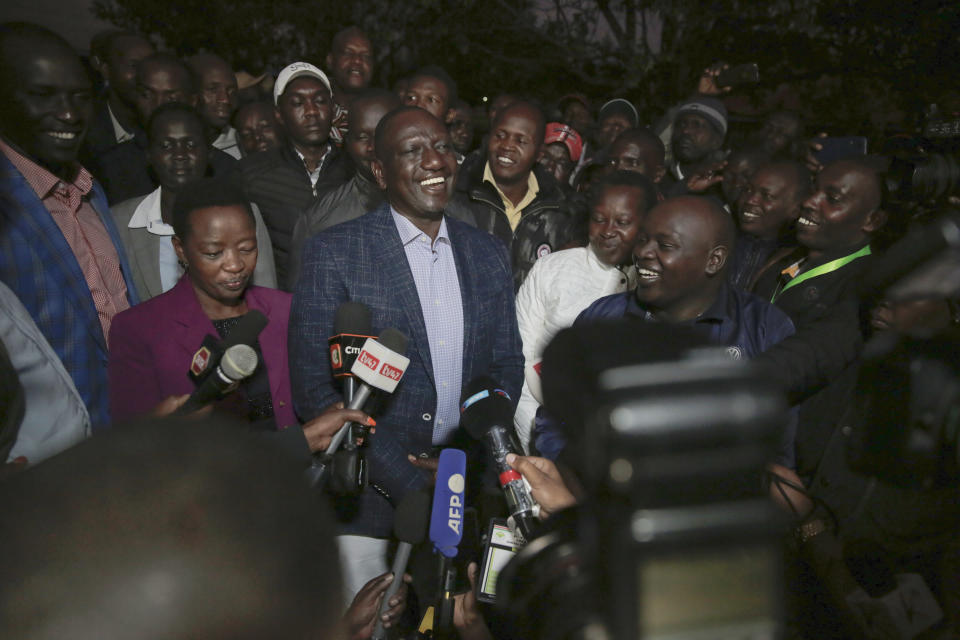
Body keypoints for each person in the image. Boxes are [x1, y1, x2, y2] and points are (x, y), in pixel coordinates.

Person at [289, 106, 523, 597]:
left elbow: (506, 364)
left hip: (461, 490)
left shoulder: (488, 252)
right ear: (379, 171)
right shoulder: (334, 252)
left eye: (442, 146)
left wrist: (461, 462)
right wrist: (412, 484)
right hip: (367, 501)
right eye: (413, 151)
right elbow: (315, 390)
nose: (435, 160)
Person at [0, 22, 139, 430]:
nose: (68, 114)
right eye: (43, 95)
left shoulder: (91, 190)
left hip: (127, 429)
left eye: (80, 97)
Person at [514, 171, 655, 451]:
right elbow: (519, 362)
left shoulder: (659, 281)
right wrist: (548, 450)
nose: (608, 231)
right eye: (599, 219)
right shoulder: (552, 269)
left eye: (623, 222)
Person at [578, 196, 795, 358]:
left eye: (666, 246)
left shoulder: (764, 329)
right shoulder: (603, 316)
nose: (642, 253)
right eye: (642, 240)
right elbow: (560, 411)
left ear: (714, 261)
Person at [111, 103, 276, 300]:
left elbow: (266, 300)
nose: (179, 155)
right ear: (149, 155)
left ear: (209, 153)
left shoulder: (245, 214)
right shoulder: (120, 221)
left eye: (190, 145)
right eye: (166, 145)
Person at [231, 61, 349, 290]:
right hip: (282, 308)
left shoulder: (354, 169)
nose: (312, 111)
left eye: (320, 101)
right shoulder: (250, 174)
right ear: (280, 115)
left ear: (332, 109)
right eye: (297, 103)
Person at [456, 100, 574, 290]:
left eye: (521, 141)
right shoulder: (455, 194)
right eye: (500, 135)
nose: (507, 146)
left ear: (539, 154)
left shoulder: (559, 210)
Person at [288, 89, 400, 287]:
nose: (374, 146)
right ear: (347, 143)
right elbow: (303, 308)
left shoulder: (448, 211)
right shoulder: (319, 222)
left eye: (384, 132)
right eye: (363, 137)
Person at [92, 52, 237, 204]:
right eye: (147, 94)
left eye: (171, 97)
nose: (158, 104)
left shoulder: (224, 168)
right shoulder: (110, 167)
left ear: (192, 100)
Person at [730, 160, 809, 291]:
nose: (750, 200)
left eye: (766, 196)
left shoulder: (796, 262)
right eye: (748, 190)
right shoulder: (721, 238)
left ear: (796, 210)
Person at [82, 30, 154, 163]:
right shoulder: (84, 131)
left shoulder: (162, 127)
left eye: (150, 66)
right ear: (106, 71)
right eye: (134, 66)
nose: (144, 75)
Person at [325, 26, 374, 145]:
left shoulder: (380, 110)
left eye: (366, 56)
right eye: (348, 53)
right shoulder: (312, 105)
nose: (357, 61)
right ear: (330, 61)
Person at [187, 52, 241, 158]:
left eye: (230, 90)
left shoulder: (245, 144)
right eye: (213, 89)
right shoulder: (168, 147)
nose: (225, 99)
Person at [668, 96, 728, 184]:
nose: (686, 131)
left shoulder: (723, 187)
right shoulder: (656, 178)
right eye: (682, 124)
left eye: (697, 125)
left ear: (717, 141)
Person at [538, 122, 583, 188]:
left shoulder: (571, 198)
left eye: (561, 163)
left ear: (571, 171)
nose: (550, 168)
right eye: (546, 157)